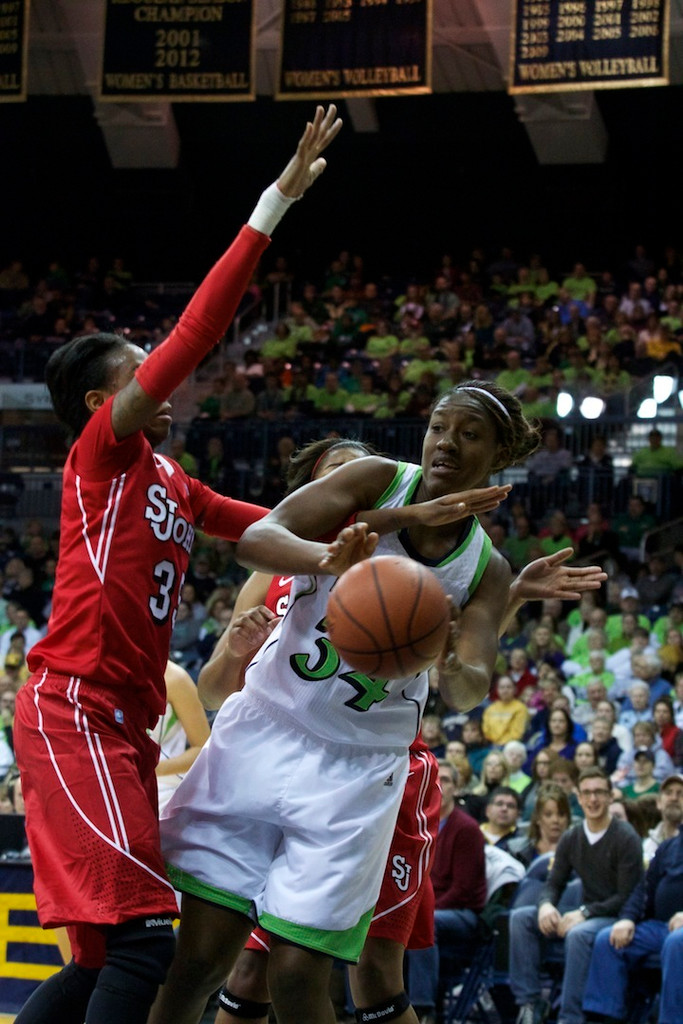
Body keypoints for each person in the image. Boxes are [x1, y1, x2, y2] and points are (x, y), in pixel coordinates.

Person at [11, 105, 344, 1024]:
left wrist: (341, 549)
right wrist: (274, 203)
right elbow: (196, 333)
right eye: (139, 369)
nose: (161, 375)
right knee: (147, 941)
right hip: (74, 708)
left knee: (103, 960)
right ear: (100, 400)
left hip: (124, 725)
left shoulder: (170, 478)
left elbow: (261, 530)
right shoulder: (103, 452)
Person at [153, 379, 606, 1024]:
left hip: (359, 768)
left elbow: (468, 686)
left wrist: (450, 655)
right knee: (199, 960)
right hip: (266, 728)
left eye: (469, 434)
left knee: (298, 972)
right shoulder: (373, 480)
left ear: (498, 456)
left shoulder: (487, 570)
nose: (446, 442)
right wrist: (331, 557)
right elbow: (256, 539)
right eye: (439, 427)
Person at [509, 767, 644, 1024]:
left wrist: (584, 913)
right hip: (586, 911)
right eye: (587, 793)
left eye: (599, 793)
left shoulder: (626, 837)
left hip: (613, 916)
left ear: (609, 797)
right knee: (521, 918)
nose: (593, 799)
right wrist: (547, 905)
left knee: (578, 934)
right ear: (579, 798)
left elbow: (627, 897)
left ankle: (570, 1017)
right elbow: (554, 883)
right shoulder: (572, 836)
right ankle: (530, 1003)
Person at [405, 761, 487, 1023]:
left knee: (424, 921)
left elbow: (462, 890)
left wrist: (421, 909)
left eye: (448, 780)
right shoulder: (417, 822)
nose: (440, 784)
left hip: (462, 913)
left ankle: (422, 1007)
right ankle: (361, 1008)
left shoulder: (467, 828)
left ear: (458, 788)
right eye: (436, 778)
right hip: (424, 905)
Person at [582, 818, 683, 1024]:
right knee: (607, 940)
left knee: (676, 943)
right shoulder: (670, 846)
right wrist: (627, 918)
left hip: (679, 935)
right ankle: (606, 1018)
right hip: (660, 927)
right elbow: (643, 888)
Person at [150, 661, 211, 813]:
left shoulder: (176, 679)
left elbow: (204, 751)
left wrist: (155, 769)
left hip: (163, 786)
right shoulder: (105, 670)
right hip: (113, 776)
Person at [508, 782, 571, 867]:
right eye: (548, 815)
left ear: (568, 818)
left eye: (561, 814)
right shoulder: (518, 853)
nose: (555, 820)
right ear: (538, 818)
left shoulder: (580, 852)